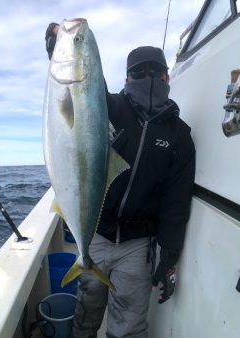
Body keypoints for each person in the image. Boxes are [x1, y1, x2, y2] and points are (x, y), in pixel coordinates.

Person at [71, 46, 196, 338]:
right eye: (139, 72)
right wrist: (67, 56)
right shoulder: (109, 108)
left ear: (167, 76)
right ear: (126, 78)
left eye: (155, 71)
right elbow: (86, 88)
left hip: (139, 245)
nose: (147, 77)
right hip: (96, 234)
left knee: (129, 326)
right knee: (86, 314)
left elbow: (176, 201)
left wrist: (169, 255)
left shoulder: (179, 135)